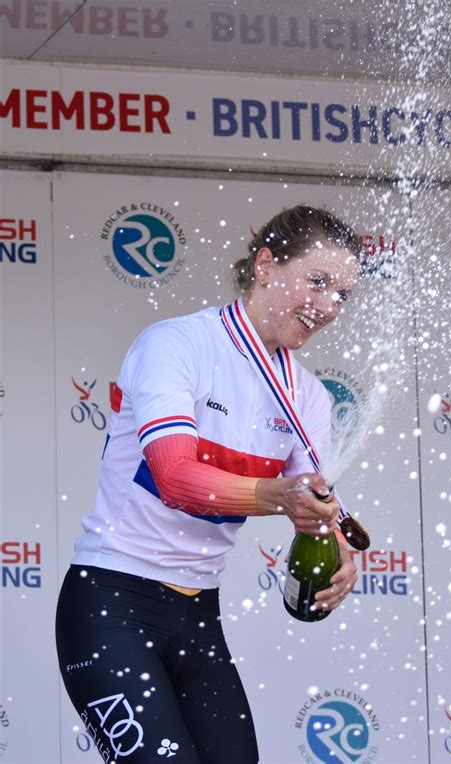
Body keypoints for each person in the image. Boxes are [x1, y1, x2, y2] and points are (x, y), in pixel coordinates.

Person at [56, 204, 360, 763]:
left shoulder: (310, 396)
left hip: (198, 616)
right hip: (111, 604)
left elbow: (310, 501)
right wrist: (276, 497)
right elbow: (174, 478)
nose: (328, 306)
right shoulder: (176, 345)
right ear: (266, 266)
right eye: (318, 282)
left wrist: (338, 549)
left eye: (342, 294)